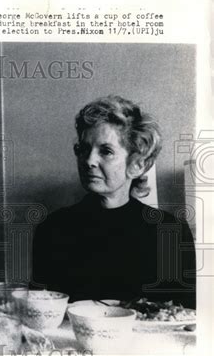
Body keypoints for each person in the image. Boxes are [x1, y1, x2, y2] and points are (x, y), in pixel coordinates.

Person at [32, 95, 196, 308]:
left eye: (106, 151)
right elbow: (40, 311)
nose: (89, 161)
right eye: (83, 149)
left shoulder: (170, 231)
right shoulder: (53, 228)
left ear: (137, 164)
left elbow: (189, 319)